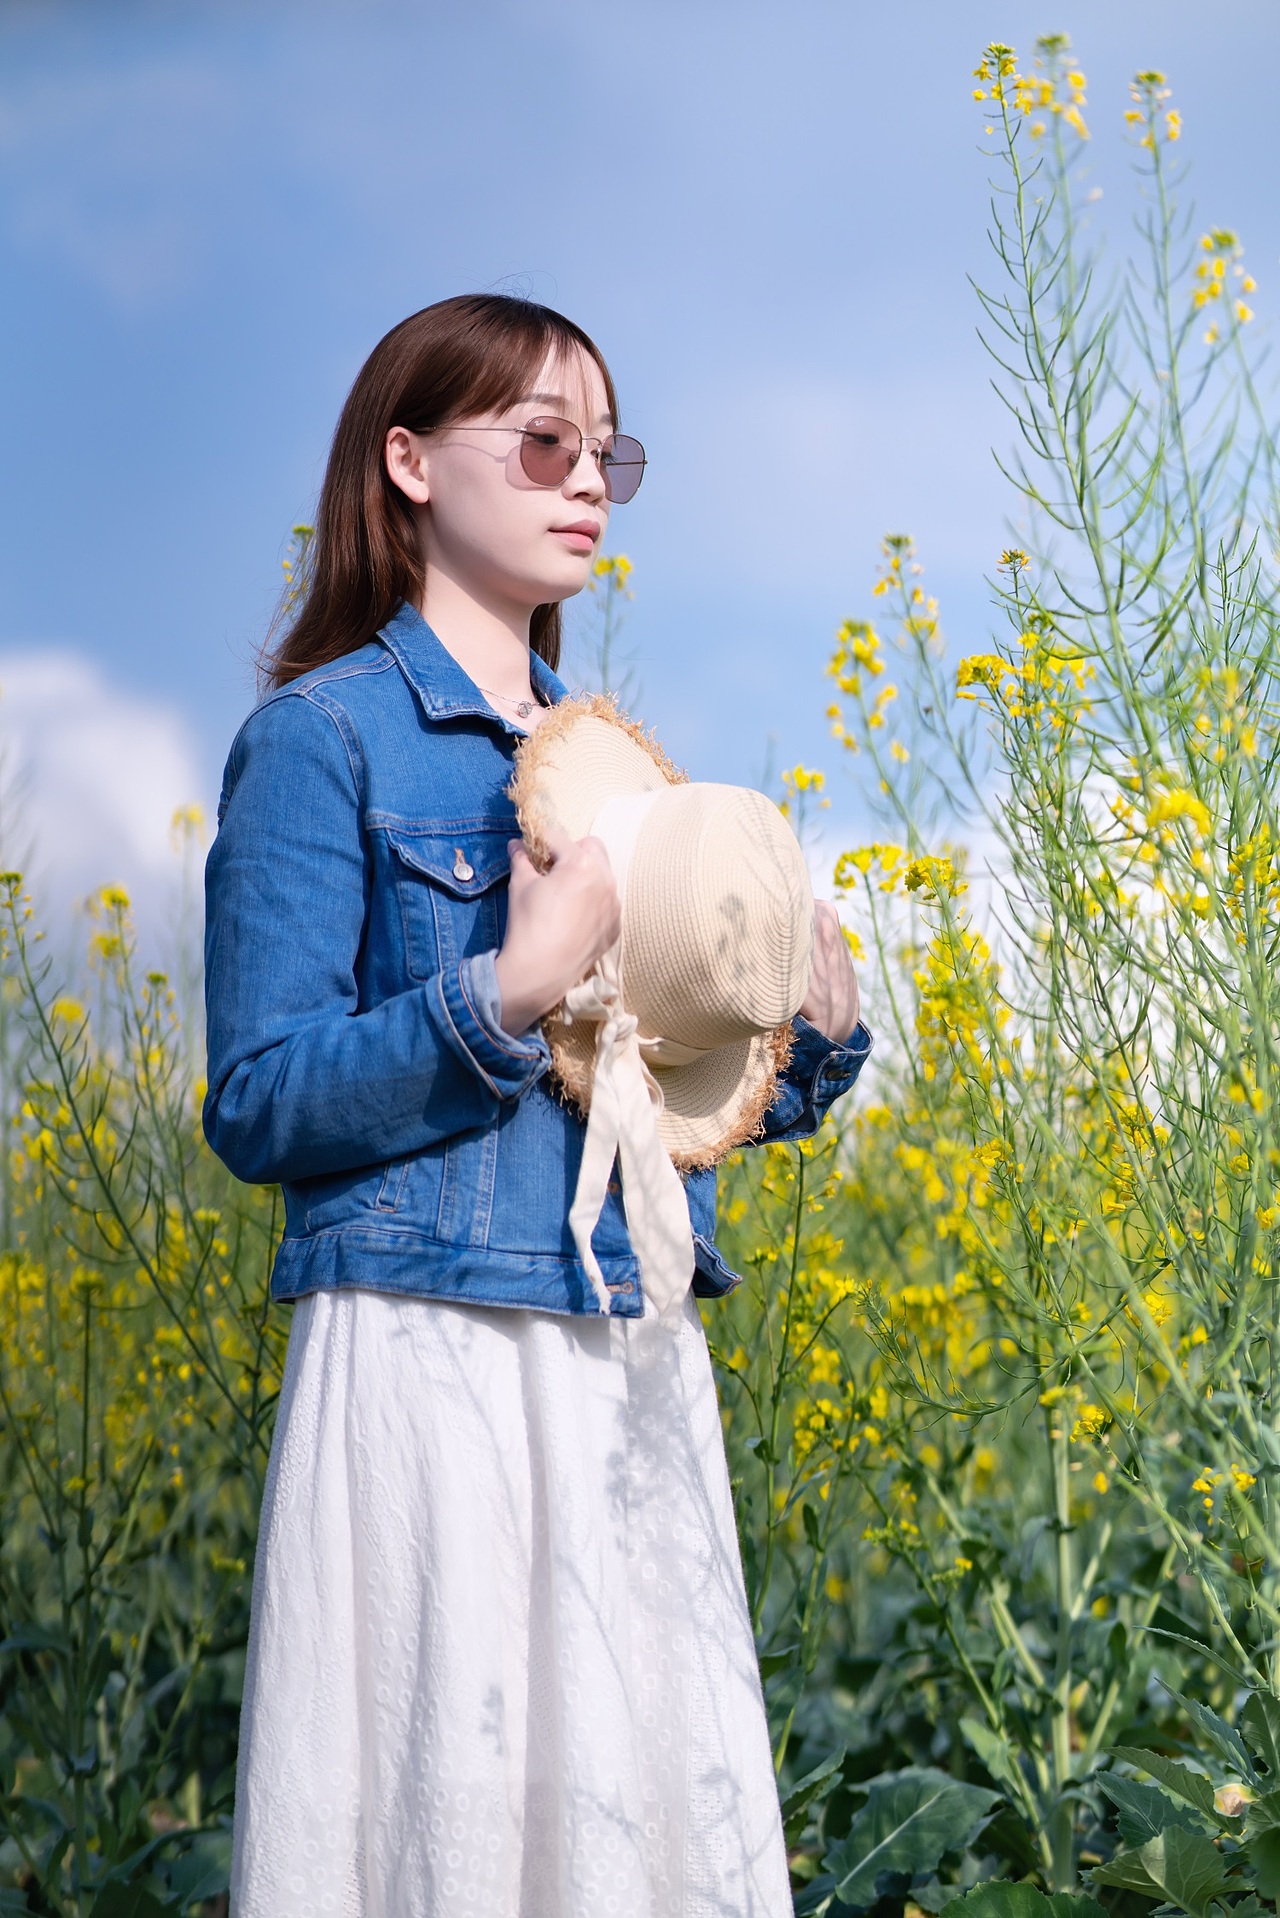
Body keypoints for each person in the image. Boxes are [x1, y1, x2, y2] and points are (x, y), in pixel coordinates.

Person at [203, 292, 873, 1918]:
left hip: (628, 1360)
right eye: (547, 441)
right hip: (432, 1355)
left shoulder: (628, 781)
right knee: (446, 1833)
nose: (588, 483)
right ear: (411, 460)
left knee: (648, 1848)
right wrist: (502, 988)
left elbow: (659, 1105)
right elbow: (259, 1100)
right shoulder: (319, 740)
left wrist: (817, 1034)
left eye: (609, 452)